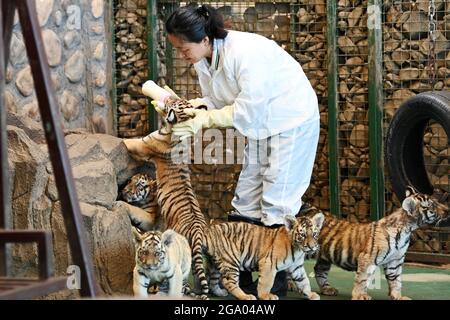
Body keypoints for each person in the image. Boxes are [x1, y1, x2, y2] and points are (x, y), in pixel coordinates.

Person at [160, 4, 320, 296]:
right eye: (176, 48)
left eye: (183, 47)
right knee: (246, 195)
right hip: (261, 126)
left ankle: (273, 286)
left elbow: (247, 110)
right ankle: (238, 279)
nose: (181, 54)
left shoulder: (246, 53)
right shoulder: (203, 60)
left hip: (291, 119)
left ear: (205, 39)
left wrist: (203, 120)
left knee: (277, 199)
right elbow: (216, 99)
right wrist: (191, 108)